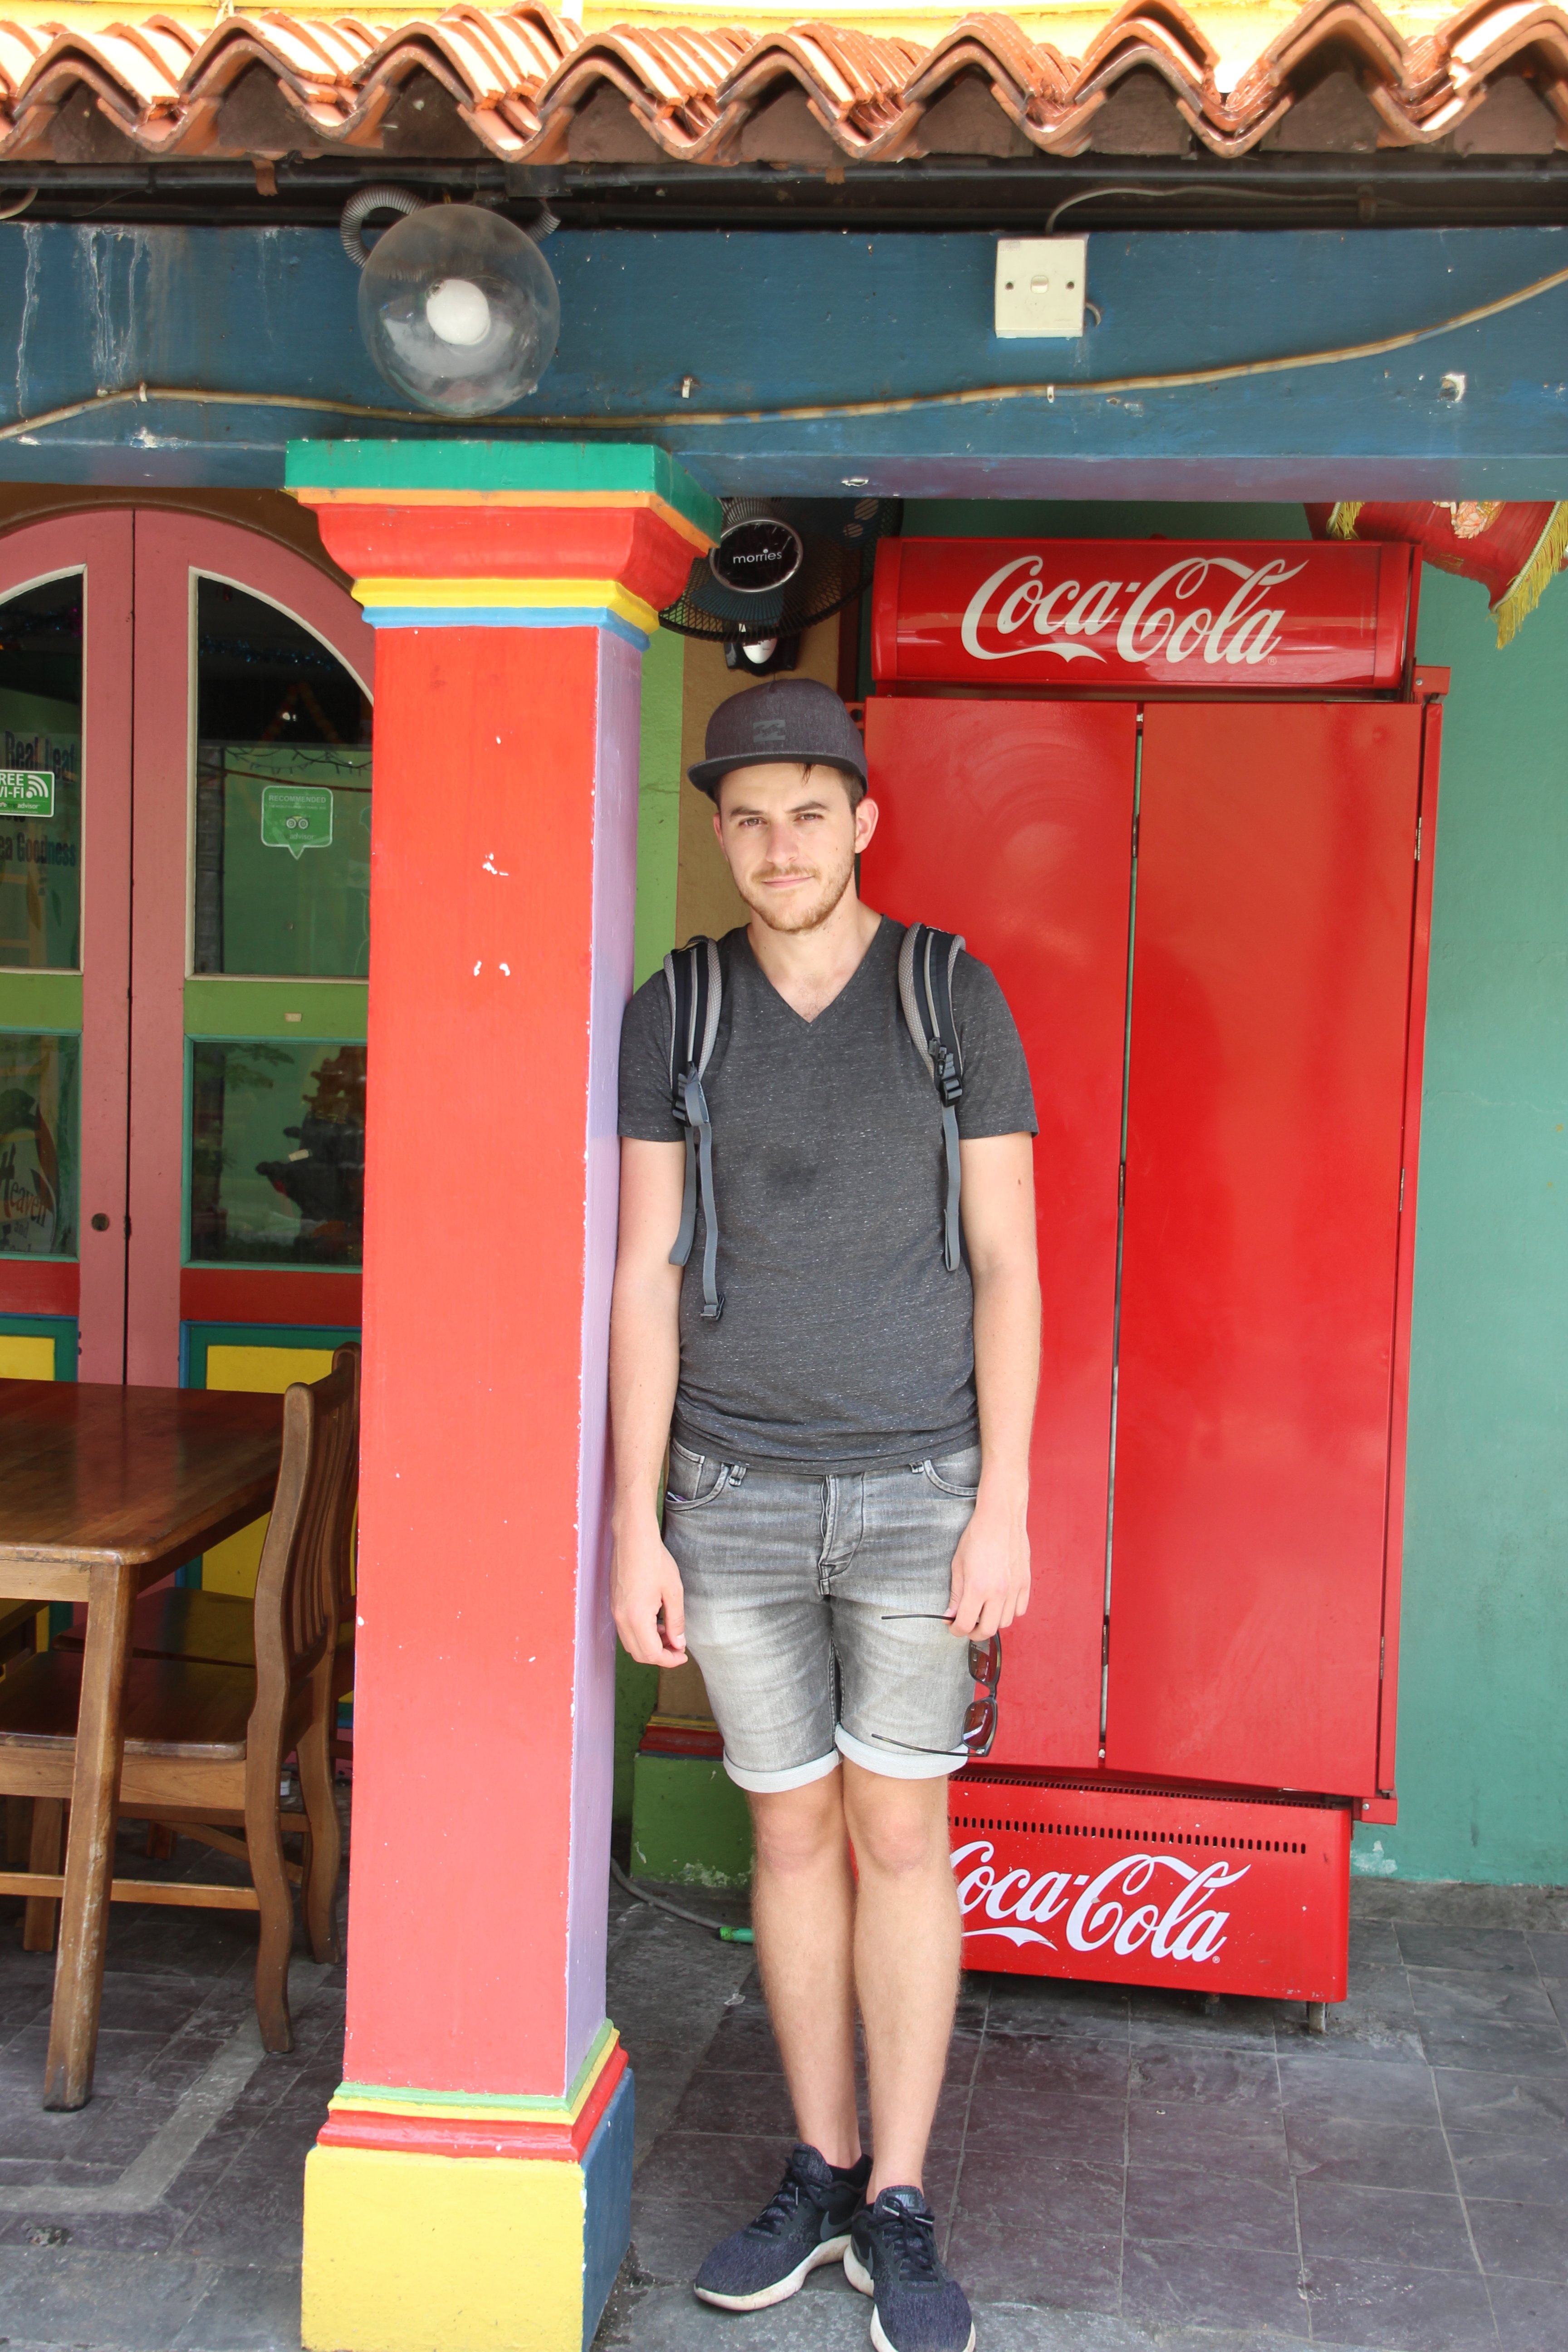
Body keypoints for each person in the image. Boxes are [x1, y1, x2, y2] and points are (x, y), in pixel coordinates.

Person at [611, 676, 1040, 2352]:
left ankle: (902, 2203)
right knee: (788, 1837)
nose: (779, 847)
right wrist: (634, 1522)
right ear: (718, 836)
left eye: (808, 814)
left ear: (863, 821)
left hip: (922, 1491)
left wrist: (1005, 1505)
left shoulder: (948, 994)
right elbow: (648, 1273)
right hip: (727, 1496)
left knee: (900, 1837)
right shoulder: (679, 1011)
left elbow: (1007, 1262)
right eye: (748, 821)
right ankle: (822, 2161)